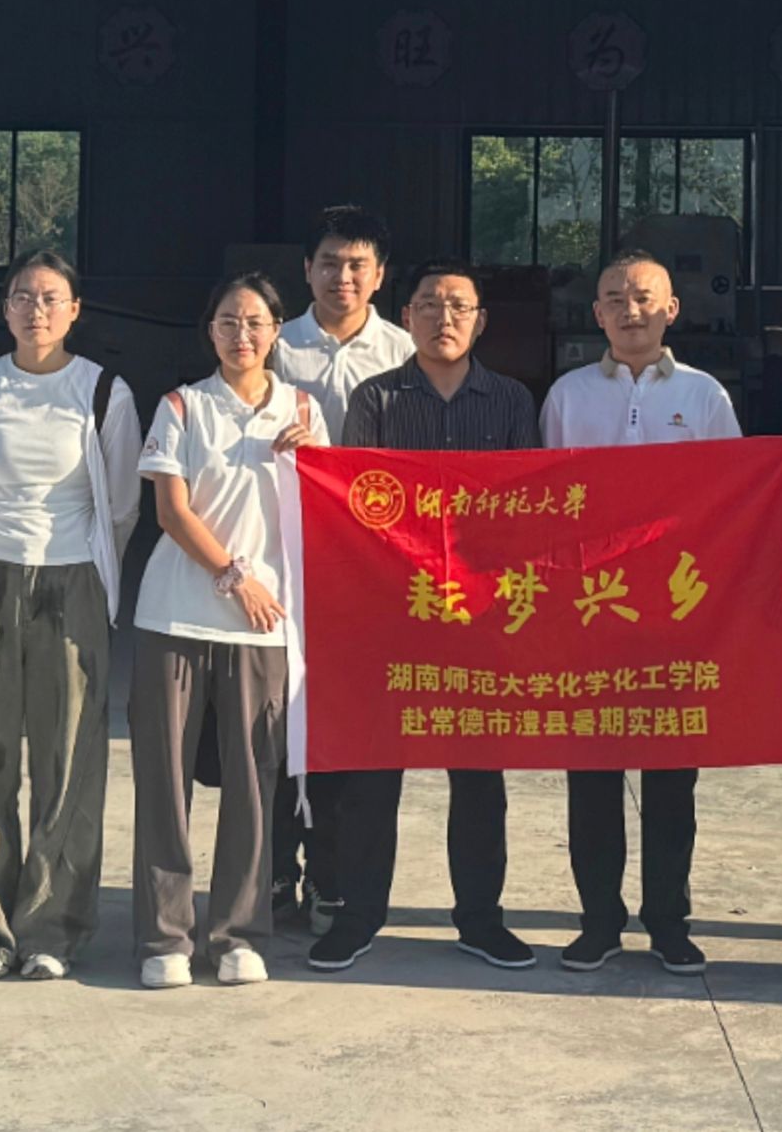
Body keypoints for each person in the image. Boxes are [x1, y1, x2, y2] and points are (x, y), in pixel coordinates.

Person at [308, 261, 542, 974]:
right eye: (430, 305)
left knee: (479, 777)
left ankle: (480, 919)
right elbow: (356, 507)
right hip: (392, 612)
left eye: (459, 306)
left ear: (481, 321)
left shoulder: (510, 401)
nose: (445, 318)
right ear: (406, 317)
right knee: (373, 773)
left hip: (480, 617)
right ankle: (357, 915)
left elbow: (527, 508)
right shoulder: (376, 397)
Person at [0, 250, 140, 981]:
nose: (37, 311)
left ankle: (52, 927)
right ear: (5, 309)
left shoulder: (103, 392)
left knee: (68, 755)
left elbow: (122, 504)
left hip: (72, 575)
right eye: (23, 297)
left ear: (76, 310)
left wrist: (86, 572)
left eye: (52, 298)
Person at [538, 250, 742, 975]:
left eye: (645, 297)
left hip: (673, 613)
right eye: (616, 298)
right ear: (596, 313)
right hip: (590, 612)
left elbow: (732, 499)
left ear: (671, 309)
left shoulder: (705, 396)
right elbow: (545, 506)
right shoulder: (566, 396)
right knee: (592, 775)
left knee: (671, 778)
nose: (631, 310)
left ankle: (669, 921)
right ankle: (598, 921)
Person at [130, 272, 327, 988]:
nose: (241, 335)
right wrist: (234, 576)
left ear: (277, 330)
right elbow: (171, 511)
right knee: (164, 780)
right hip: (176, 614)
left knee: (253, 780)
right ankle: (165, 937)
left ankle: (238, 932)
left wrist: (310, 463)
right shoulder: (183, 405)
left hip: (264, 627)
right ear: (209, 331)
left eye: (254, 322)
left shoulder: (303, 409)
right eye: (227, 322)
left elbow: (323, 512)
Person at [269, 205, 415, 933]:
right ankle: (273, 872)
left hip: (369, 571)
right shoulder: (274, 345)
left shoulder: (403, 350)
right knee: (276, 721)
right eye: (329, 262)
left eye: (358, 264)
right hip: (283, 561)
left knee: (346, 732)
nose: (343, 277)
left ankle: (333, 877)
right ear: (307, 270)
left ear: (380, 276)